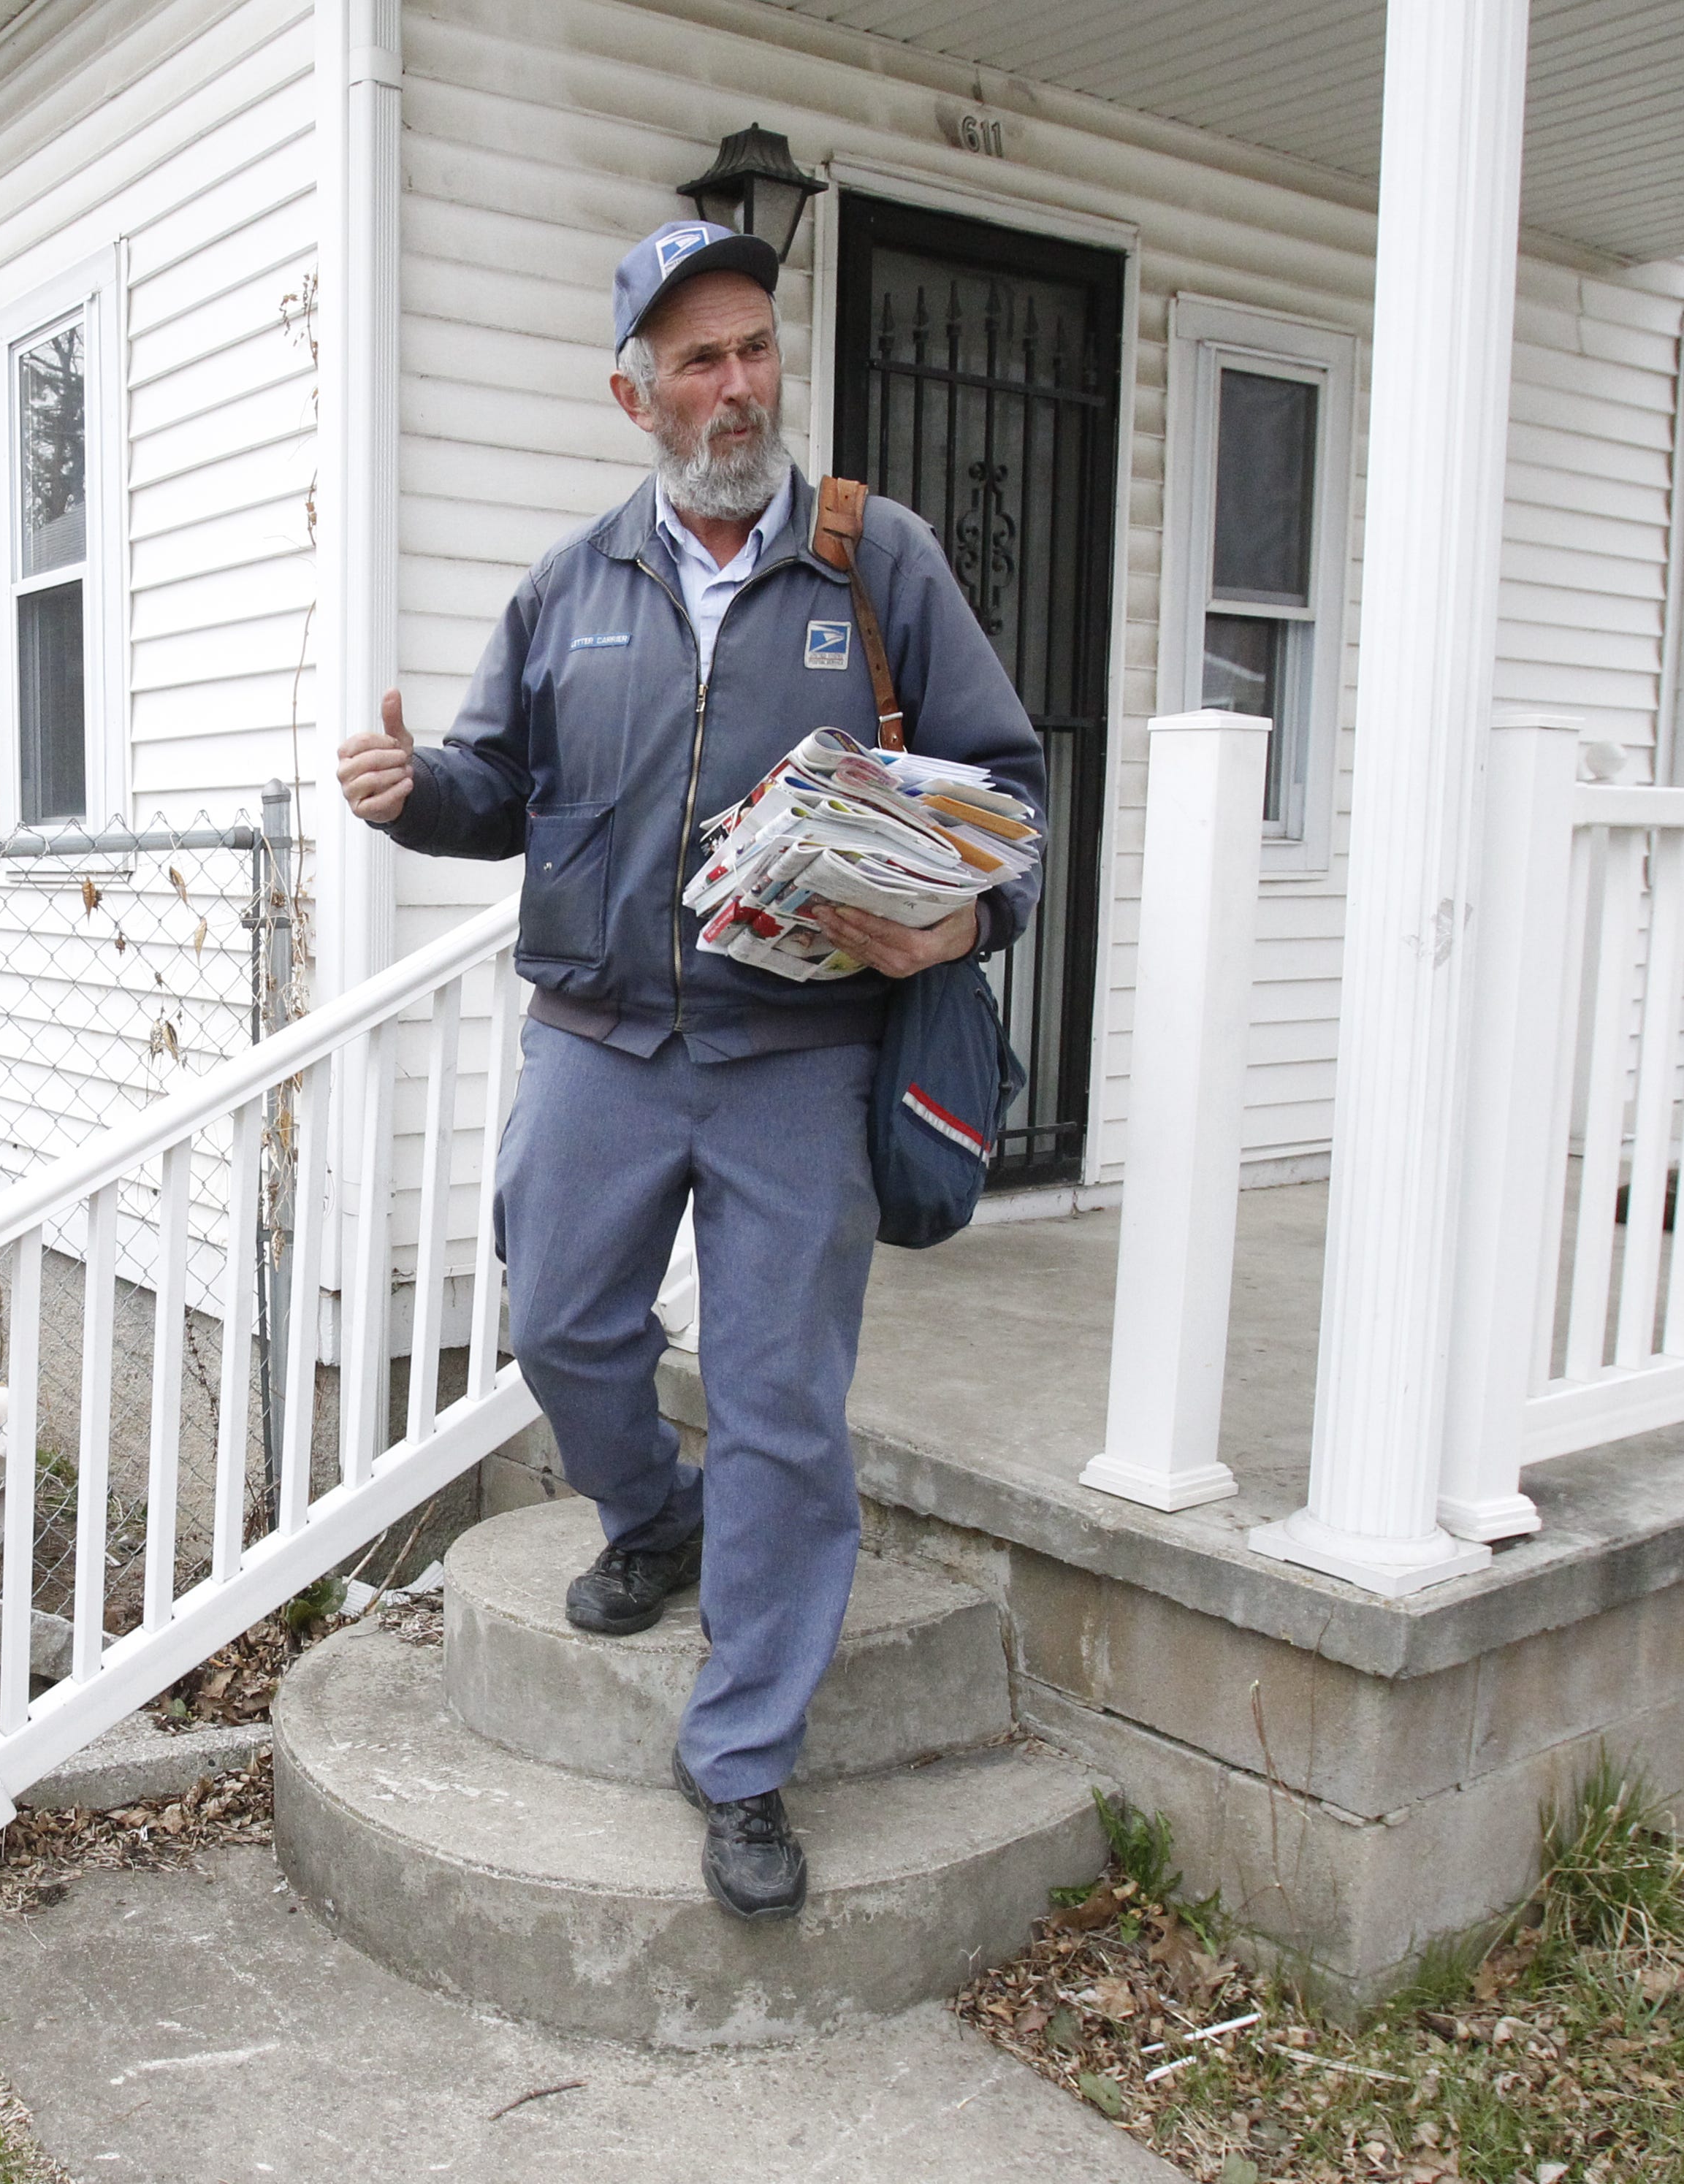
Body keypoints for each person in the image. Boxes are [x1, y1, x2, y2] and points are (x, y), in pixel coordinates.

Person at [337, 220, 1045, 1920]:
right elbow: (496, 787)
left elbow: (1007, 798)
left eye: (752, 348)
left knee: (780, 1406)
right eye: (696, 361)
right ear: (633, 396)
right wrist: (413, 791)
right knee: (559, 1323)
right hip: (600, 1040)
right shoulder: (567, 588)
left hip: (798, 1054)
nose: (735, 386)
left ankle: (740, 1755)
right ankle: (653, 1515)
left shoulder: (876, 563)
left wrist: (958, 920)